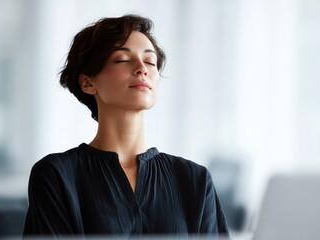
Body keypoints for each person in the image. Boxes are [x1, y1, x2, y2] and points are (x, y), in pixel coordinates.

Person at [22, 14, 229, 238]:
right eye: (122, 59)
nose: (142, 69)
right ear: (88, 82)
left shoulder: (194, 180)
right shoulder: (57, 176)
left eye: (150, 62)